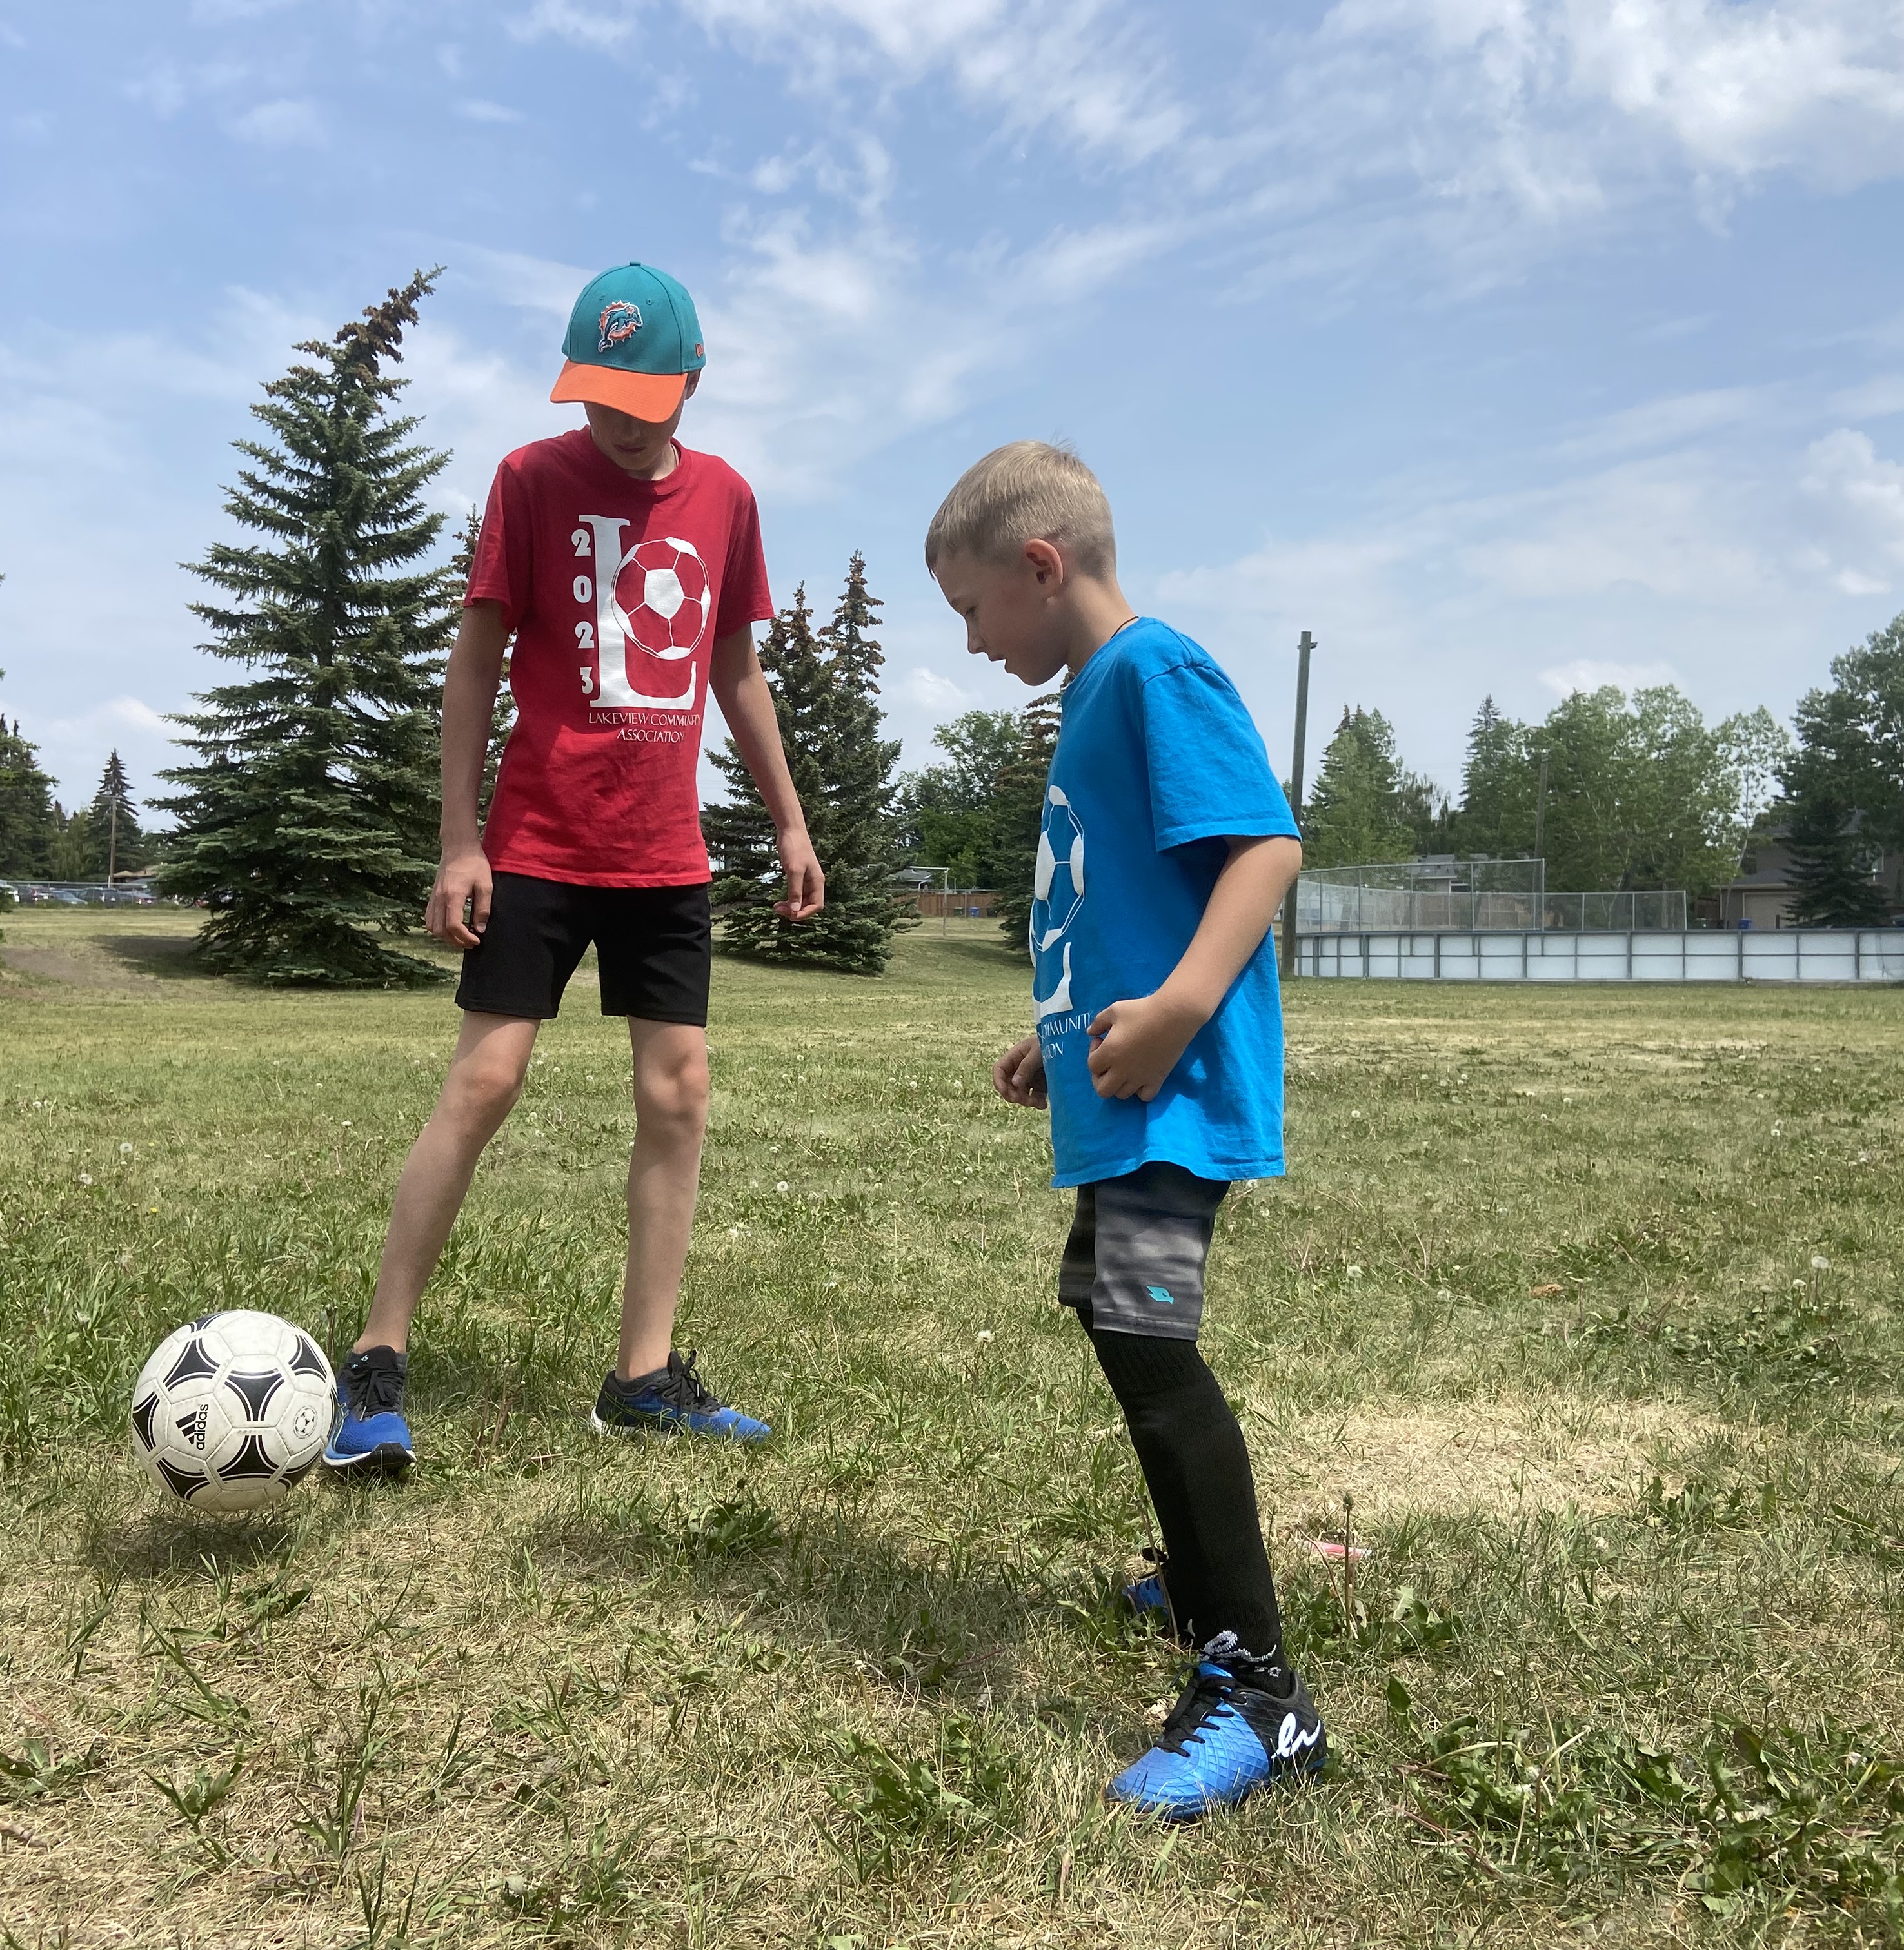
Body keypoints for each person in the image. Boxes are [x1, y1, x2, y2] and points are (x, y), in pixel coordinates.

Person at [326, 262, 824, 1474]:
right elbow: (475, 664)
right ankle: (376, 1362)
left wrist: (793, 824)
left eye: (637, 394)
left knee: (680, 1092)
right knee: (485, 1082)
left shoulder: (728, 500)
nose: (608, 415)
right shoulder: (531, 482)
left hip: (662, 855)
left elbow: (737, 673)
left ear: (689, 383)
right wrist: (460, 838)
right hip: (541, 843)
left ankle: (644, 1377)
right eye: (592, 391)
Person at [927, 440, 1322, 1820]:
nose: (971, 642)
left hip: (1177, 1098)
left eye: (974, 608)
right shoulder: (1094, 693)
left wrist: (1175, 1013)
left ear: (1042, 566)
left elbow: (1263, 847)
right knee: (1109, 1310)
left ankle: (1260, 1688)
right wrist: (1061, 1040)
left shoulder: (1153, 672)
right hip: (1122, 1093)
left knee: (1149, 1336)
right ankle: (1196, 1569)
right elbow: (1115, 905)